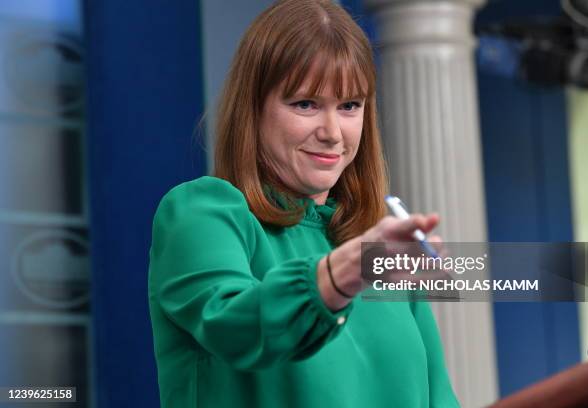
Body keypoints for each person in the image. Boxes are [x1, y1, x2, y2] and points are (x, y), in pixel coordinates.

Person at [148, 0, 460, 407]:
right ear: (253, 110)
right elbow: (235, 329)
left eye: (349, 106)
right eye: (305, 104)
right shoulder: (202, 212)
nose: (332, 132)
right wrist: (345, 273)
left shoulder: (379, 250)